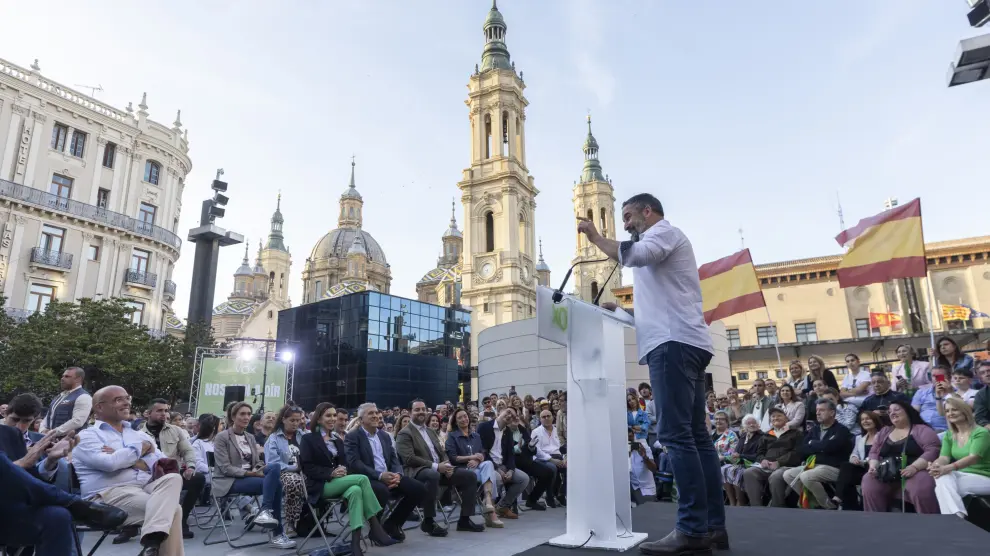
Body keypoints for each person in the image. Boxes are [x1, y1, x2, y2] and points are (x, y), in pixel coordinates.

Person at [579, 193, 724, 554]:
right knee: (695, 437)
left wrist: (596, 238)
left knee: (676, 437)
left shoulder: (662, 233)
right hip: (682, 341)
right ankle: (712, 527)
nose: (625, 224)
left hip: (672, 346)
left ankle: (692, 529)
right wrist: (626, 314)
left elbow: (637, 254)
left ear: (648, 211)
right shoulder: (662, 242)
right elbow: (657, 310)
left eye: (628, 216)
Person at [73, 386, 186, 556]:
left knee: (173, 478)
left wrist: (126, 459)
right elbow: (110, 464)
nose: (126, 402)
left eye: (127, 398)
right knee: (173, 510)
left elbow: (163, 463)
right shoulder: (87, 436)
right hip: (108, 495)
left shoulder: (138, 434)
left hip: (143, 488)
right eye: (118, 399)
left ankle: (152, 542)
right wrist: (141, 450)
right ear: (99, 407)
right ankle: (152, 542)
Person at [299, 403, 397, 556]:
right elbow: (308, 467)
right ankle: (376, 527)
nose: (332, 419)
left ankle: (355, 544)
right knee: (362, 479)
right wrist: (331, 472)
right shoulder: (308, 439)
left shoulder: (337, 440)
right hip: (320, 485)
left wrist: (343, 469)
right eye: (328, 416)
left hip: (340, 483)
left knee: (356, 491)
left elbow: (345, 463)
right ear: (318, 419)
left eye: (333, 415)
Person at [0, 449, 127, 556]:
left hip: (10, 510)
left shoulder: (11, 434)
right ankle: (73, 503)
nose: (22, 424)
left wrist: (50, 460)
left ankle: (72, 503)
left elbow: (27, 478)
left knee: (56, 516)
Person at [212, 401, 295, 549]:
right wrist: (251, 473)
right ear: (233, 416)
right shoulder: (222, 437)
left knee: (274, 467)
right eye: (242, 414)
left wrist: (259, 470)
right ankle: (277, 533)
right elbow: (225, 468)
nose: (246, 417)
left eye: (248, 414)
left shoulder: (250, 437)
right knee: (276, 484)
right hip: (229, 480)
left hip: (250, 476)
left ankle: (265, 513)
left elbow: (256, 463)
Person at [395, 400, 484, 535]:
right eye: (417, 409)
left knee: (470, 476)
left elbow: (442, 452)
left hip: (440, 469)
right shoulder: (405, 433)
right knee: (433, 474)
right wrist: (436, 466)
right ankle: (428, 521)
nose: (421, 412)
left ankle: (464, 520)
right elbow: (409, 458)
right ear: (410, 412)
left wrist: (447, 466)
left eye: (423, 409)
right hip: (417, 471)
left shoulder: (430, 431)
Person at [344, 402, 427, 542]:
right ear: (361, 419)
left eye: (376, 412)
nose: (376, 416)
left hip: (390, 476)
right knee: (381, 490)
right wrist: (380, 475)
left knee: (419, 489)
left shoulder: (384, 436)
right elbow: (355, 463)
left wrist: (397, 475)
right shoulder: (353, 436)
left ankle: (392, 524)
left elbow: (394, 459)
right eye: (370, 413)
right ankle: (375, 531)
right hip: (368, 478)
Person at [139, 398, 205, 539]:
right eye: (159, 411)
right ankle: (131, 525)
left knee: (198, 478)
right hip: (147, 476)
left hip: (173, 472)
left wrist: (191, 467)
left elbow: (188, 451)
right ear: (148, 413)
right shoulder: (137, 433)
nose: (164, 414)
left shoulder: (176, 431)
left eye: (166, 410)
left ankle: (181, 520)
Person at [929, 397, 990, 518]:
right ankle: (957, 516)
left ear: (964, 411)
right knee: (943, 479)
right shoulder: (949, 434)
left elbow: (973, 458)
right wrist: (936, 465)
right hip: (963, 474)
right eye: (947, 411)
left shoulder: (981, 432)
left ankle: (954, 519)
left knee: (942, 487)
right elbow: (944, 458)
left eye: (954, 410)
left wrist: (948, 468)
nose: (950, 413)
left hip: (985, 476)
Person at [446, 407, 504, 527]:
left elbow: (482, 453)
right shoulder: (452, 436)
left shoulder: (476, 436)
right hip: (463, 470)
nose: (463, 419)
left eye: (465, 416)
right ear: (455, 422)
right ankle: (491, 512)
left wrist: (478, 459)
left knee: (488, 464)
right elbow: (453, 458)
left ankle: (488, 501)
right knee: (491, 474)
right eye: (460, 418)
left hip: (478, 468)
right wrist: (471, 457)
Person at [40, 366, 92, 435]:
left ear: (78, 379)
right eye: (62, 376)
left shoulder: (83, 397)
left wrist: (52, 433)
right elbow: (47, 417)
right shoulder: (59, 397)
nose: (62, 379)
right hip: (50, 441)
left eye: (67, 376)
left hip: (71, 443)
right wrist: (42, 430)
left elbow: (77, 421)